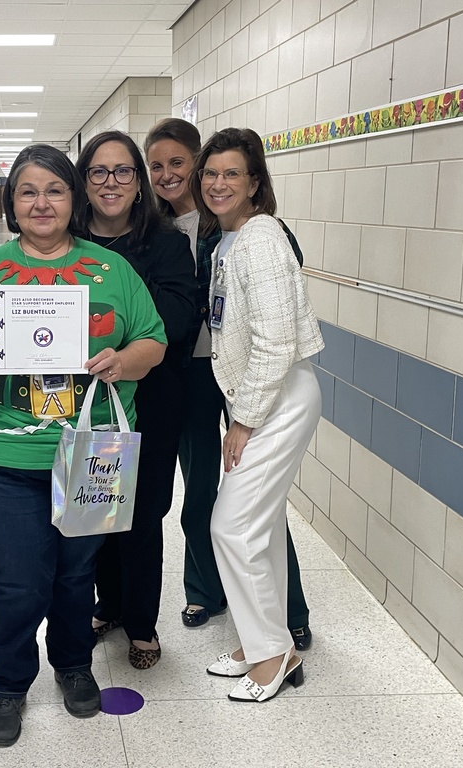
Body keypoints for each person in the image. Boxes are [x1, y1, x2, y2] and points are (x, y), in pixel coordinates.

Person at [0, 144, 166, 747]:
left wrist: (120, 361)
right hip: (4, 454)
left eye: (55, 190)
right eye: (28, 192)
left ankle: (72, 665)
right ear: (12, 203)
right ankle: (8, 682)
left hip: (91, 450)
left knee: (75, 574)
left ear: (74, 199)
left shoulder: (111, 270)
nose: (42, 203)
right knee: (17, 580)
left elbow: (154, 341)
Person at [145, 118, 314, 651]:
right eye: (157, 165)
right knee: (201, 491)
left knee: (254, 497)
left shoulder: (248, 226)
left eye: (180, 163)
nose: (169, 174)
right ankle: (205, 590)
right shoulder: (153, 229)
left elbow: (278, 299)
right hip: (192, 373)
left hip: (248, 375)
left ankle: (289, 611)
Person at [191, 127, 324, 703]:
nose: (218, 184)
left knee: (231, 525)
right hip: (260, 395)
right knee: (262, 526)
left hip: (278, 397)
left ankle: (273, 655)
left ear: (255, 184)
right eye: (211, 174)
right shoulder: (228, 239)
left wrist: (242, 420)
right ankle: (259, 636)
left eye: (232, 174)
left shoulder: (262, 236)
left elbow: (275, 342)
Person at [75, 131, 196, 670]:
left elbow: (174, 319)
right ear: (84, 181)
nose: (111, 183)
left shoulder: (165, 242)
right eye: (99, 172)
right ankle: (111, 604)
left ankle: (142, 623)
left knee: (143, 512)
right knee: (99, 506)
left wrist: (117, 345)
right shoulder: (70, 241)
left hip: (151, 397)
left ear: (139, 182)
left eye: (123, 171)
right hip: (89, 400)